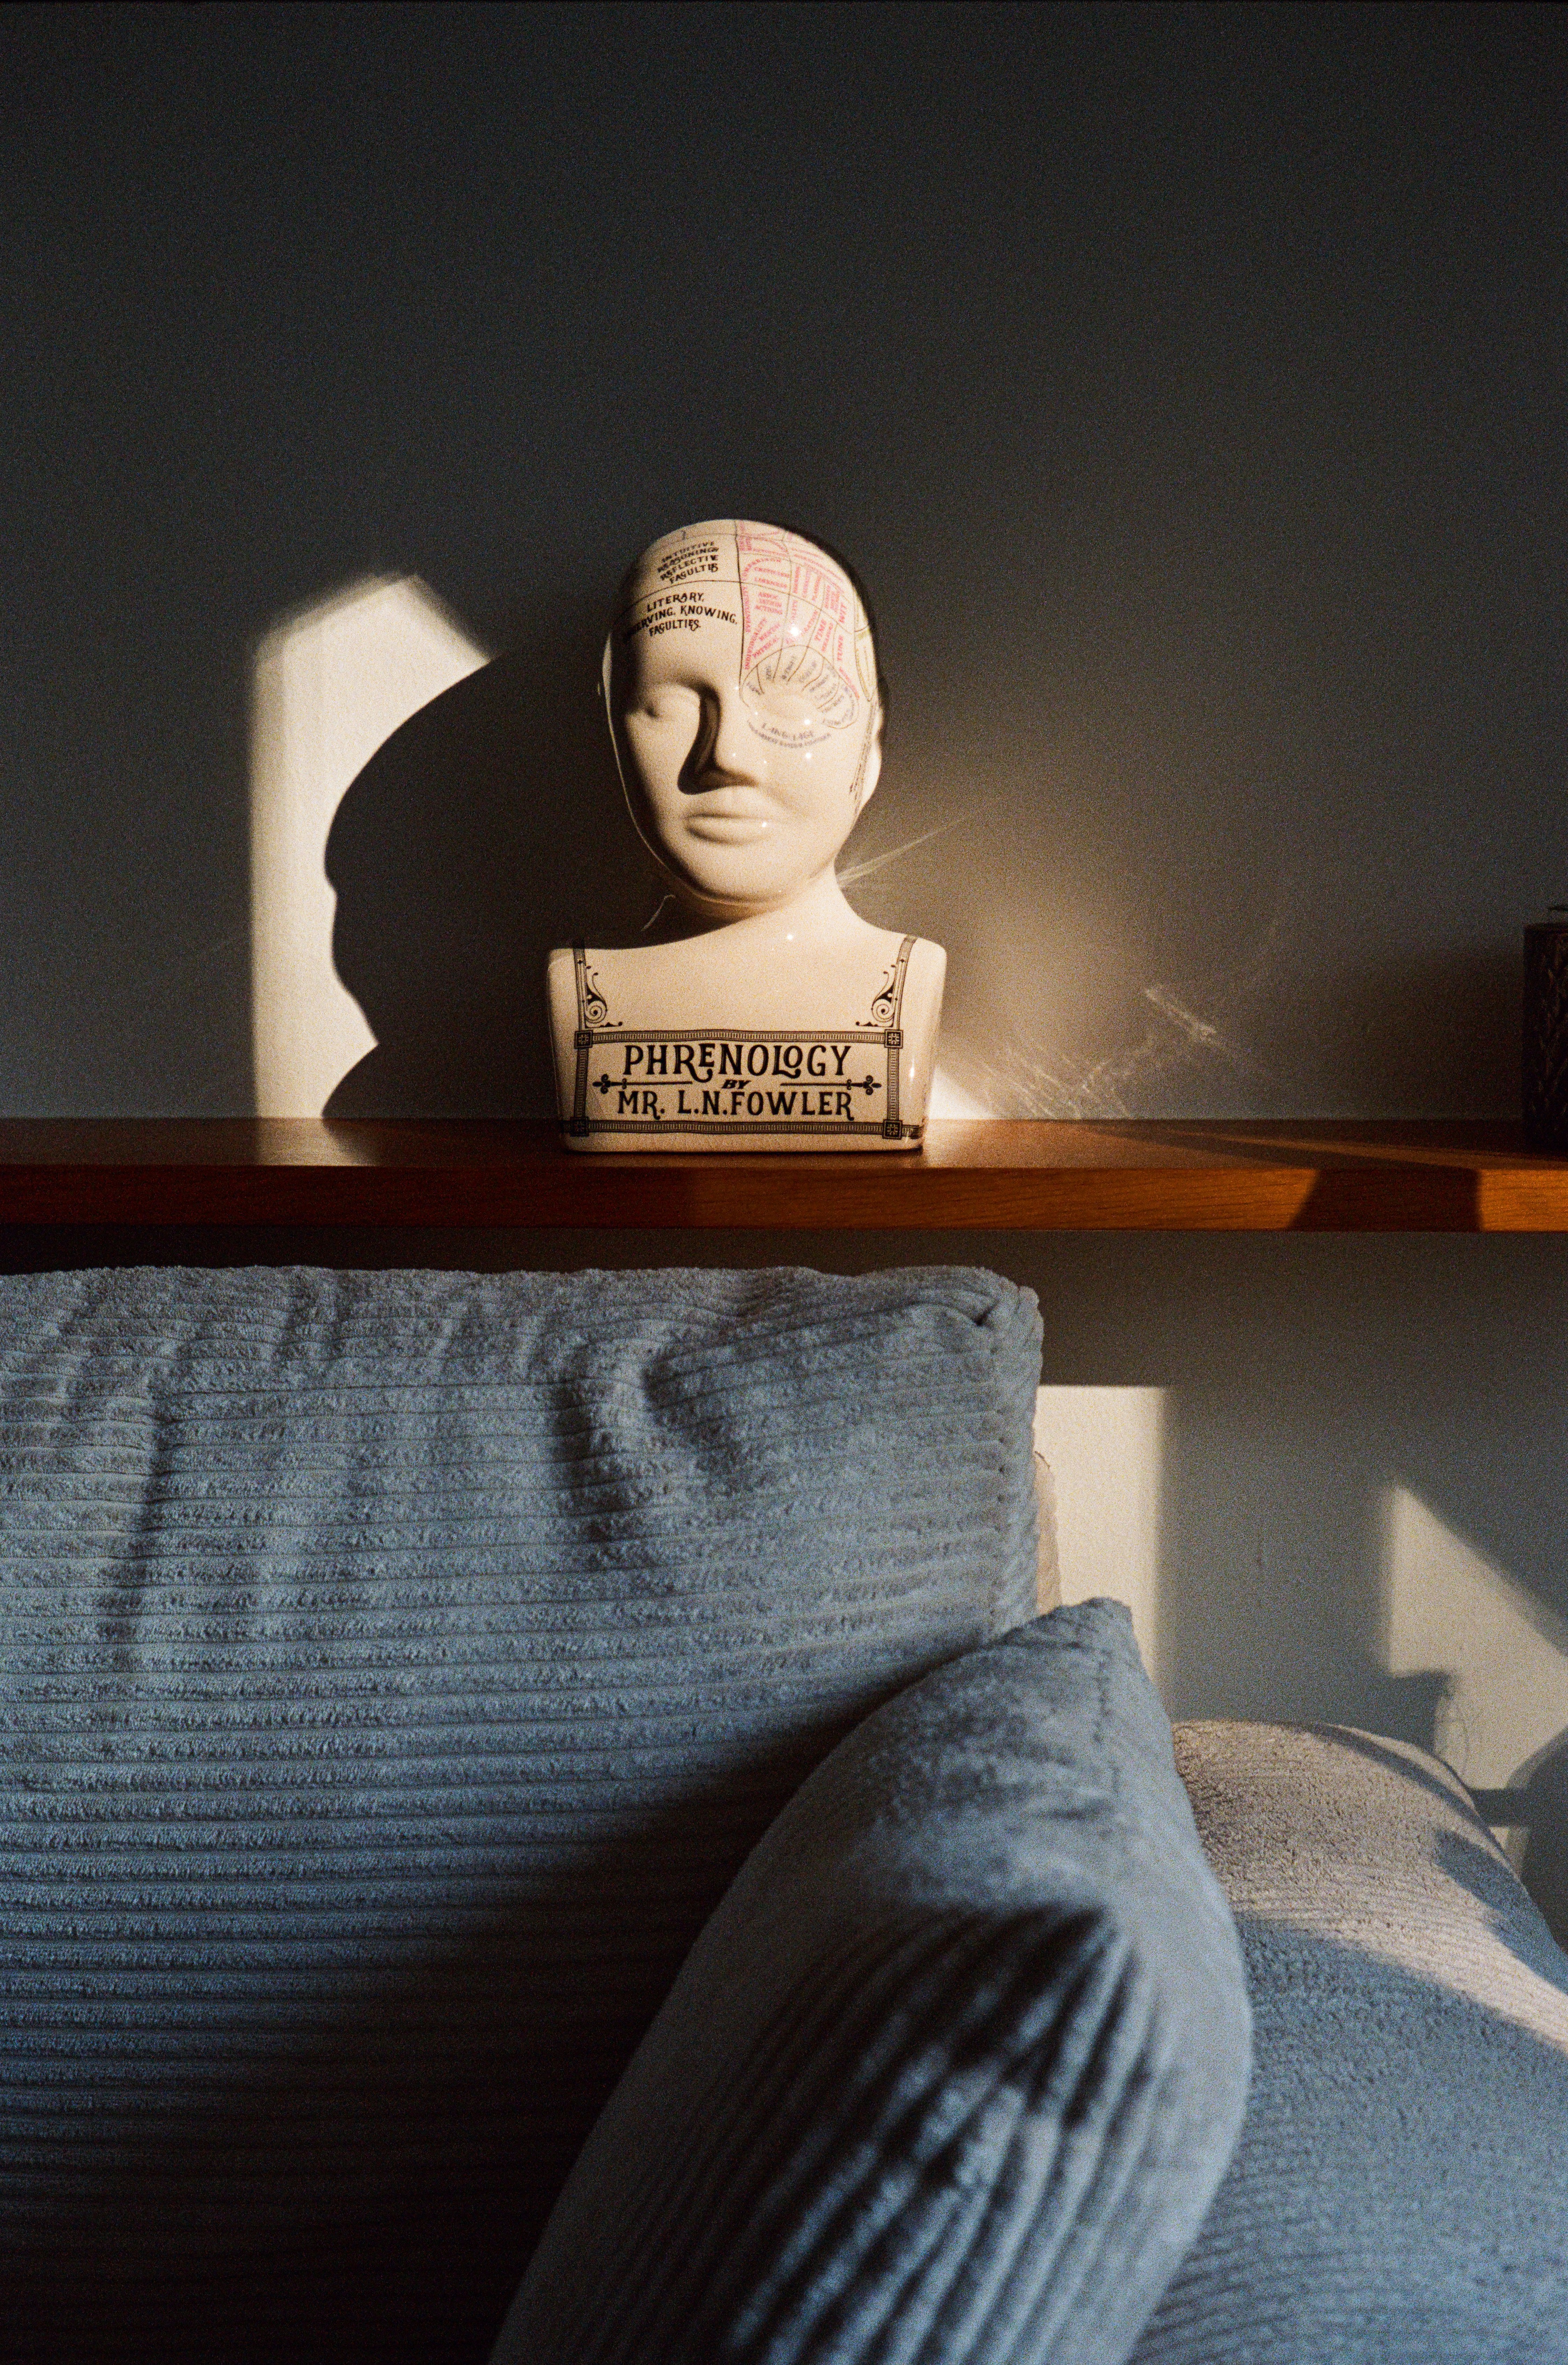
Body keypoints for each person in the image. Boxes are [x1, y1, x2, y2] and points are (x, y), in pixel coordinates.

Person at [548, 519, 945, 1150]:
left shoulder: (906, 982)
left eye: (791, 703)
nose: (726, 754)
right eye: (670, 704)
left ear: (870, 748)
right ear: (611, 730)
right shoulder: (583, 988)